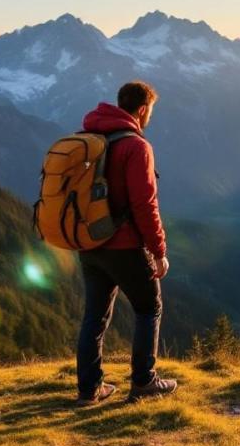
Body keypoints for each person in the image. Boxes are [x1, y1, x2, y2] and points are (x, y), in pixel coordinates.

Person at [75, 81, 177, 405]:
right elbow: (145, 205)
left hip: (89, 243)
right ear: (143, 109)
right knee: (149, 308)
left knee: (95, 316)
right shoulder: (136, 146)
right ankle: (144, 381)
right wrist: (159, 251)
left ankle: (89, 390)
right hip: (124, 245)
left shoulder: (90, 138)